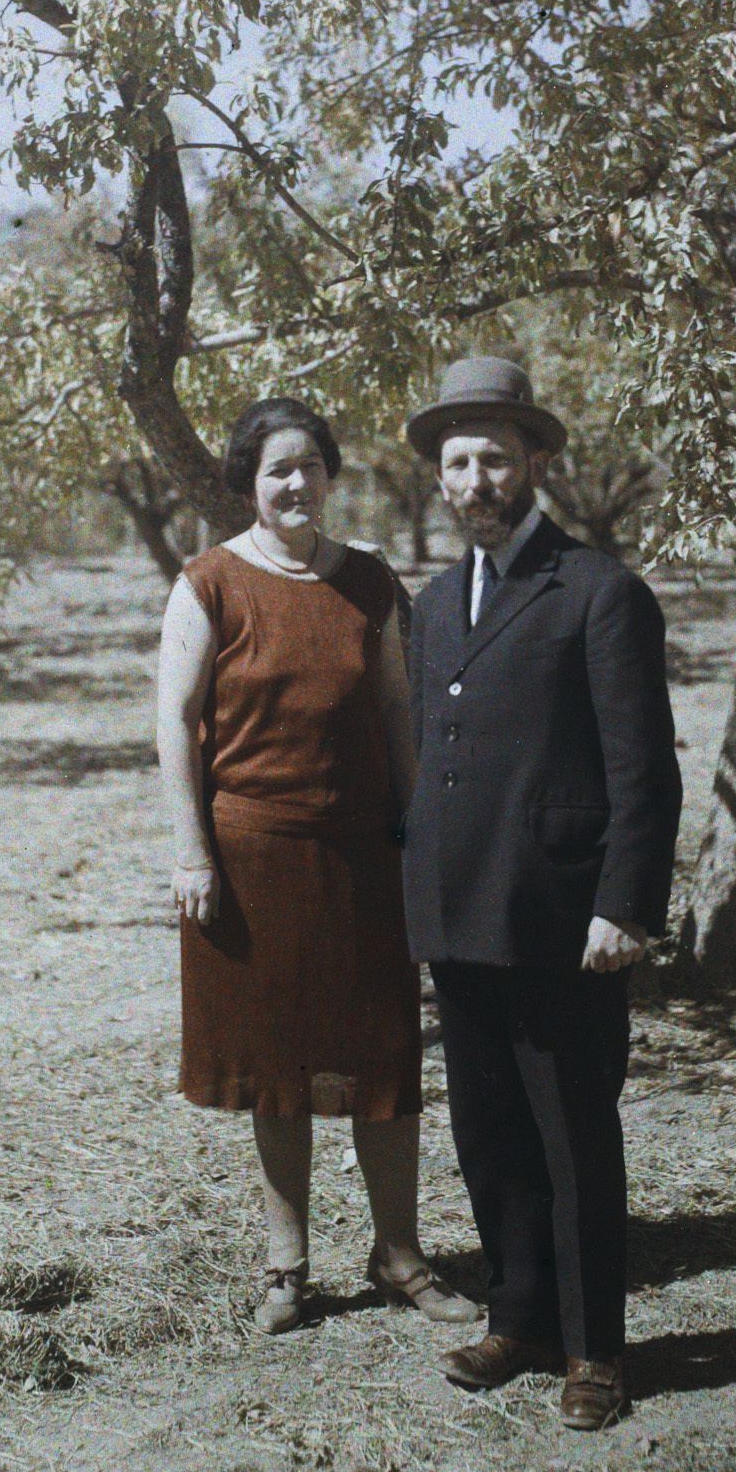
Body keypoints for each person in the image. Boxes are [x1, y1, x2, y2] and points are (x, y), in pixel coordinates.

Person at [156, 396, 480, 1337]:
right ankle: (286, 1266)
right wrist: (192, 852)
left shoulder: (370, 582)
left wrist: (419, 831)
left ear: (331, 475)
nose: (295, 484)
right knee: (276, 1067)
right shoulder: (208, 583)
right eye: (276, 471)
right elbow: (175, 722)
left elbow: (397, 713)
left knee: (383, 1057)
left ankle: (399, 1255)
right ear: (248, 484)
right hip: (251, 857)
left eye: (309, 466)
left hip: (364, 853)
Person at [401, 357, 681, 1428]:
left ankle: (593, 1350)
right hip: (459, 912)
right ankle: (516, 1318)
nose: (475, 480)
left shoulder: (599, 591)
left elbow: (642, 769)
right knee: (488, 1131)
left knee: (572, 1138)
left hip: (563, 918)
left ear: (538, 464)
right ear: (439, 477)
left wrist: (625, 903)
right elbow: (437, 759)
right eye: (457, 463)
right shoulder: (435, 604)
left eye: (495, 459)